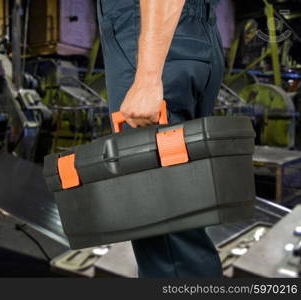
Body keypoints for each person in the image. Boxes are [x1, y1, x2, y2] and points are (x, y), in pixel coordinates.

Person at [97, 0, 225, 277]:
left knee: (164, 232)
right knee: (182, 222)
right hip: (191, 34)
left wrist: (148, 77)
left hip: (148, 31)